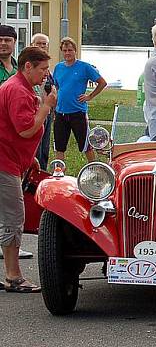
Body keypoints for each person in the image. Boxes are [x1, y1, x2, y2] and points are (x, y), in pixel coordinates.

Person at [0, 46, 56, 292]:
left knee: (7, 216)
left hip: (12, 159)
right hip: (4, 162)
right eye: (42, 69)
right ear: (28, 66)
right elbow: (25, 129)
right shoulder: (19, 91)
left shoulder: (17, 86)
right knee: (13, 218)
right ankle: (13, 277)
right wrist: (46, 107)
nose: (46, 75)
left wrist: (29, 157)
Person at [52, 37, 107, 163]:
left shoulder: (84, 67)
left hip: (78, 112)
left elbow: (102, 83)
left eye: (70, 50)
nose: (67, 53)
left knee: (86, 145)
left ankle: (94, 168)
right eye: (64, 50)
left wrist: (89, 96)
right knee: (59, 147)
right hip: (61, 113)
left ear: (75, 51)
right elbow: (57, 87)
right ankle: (59, 173)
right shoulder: (58, 68)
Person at [32, 33, 54, 170]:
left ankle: (42, 174)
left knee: (44, 148)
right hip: (35, 112)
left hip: (48, 112)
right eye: (38, 43)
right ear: (32, 45)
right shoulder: (28, 66)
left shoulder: (48, 68)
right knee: (35, 148)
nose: (41, 46)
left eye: (43, 44)